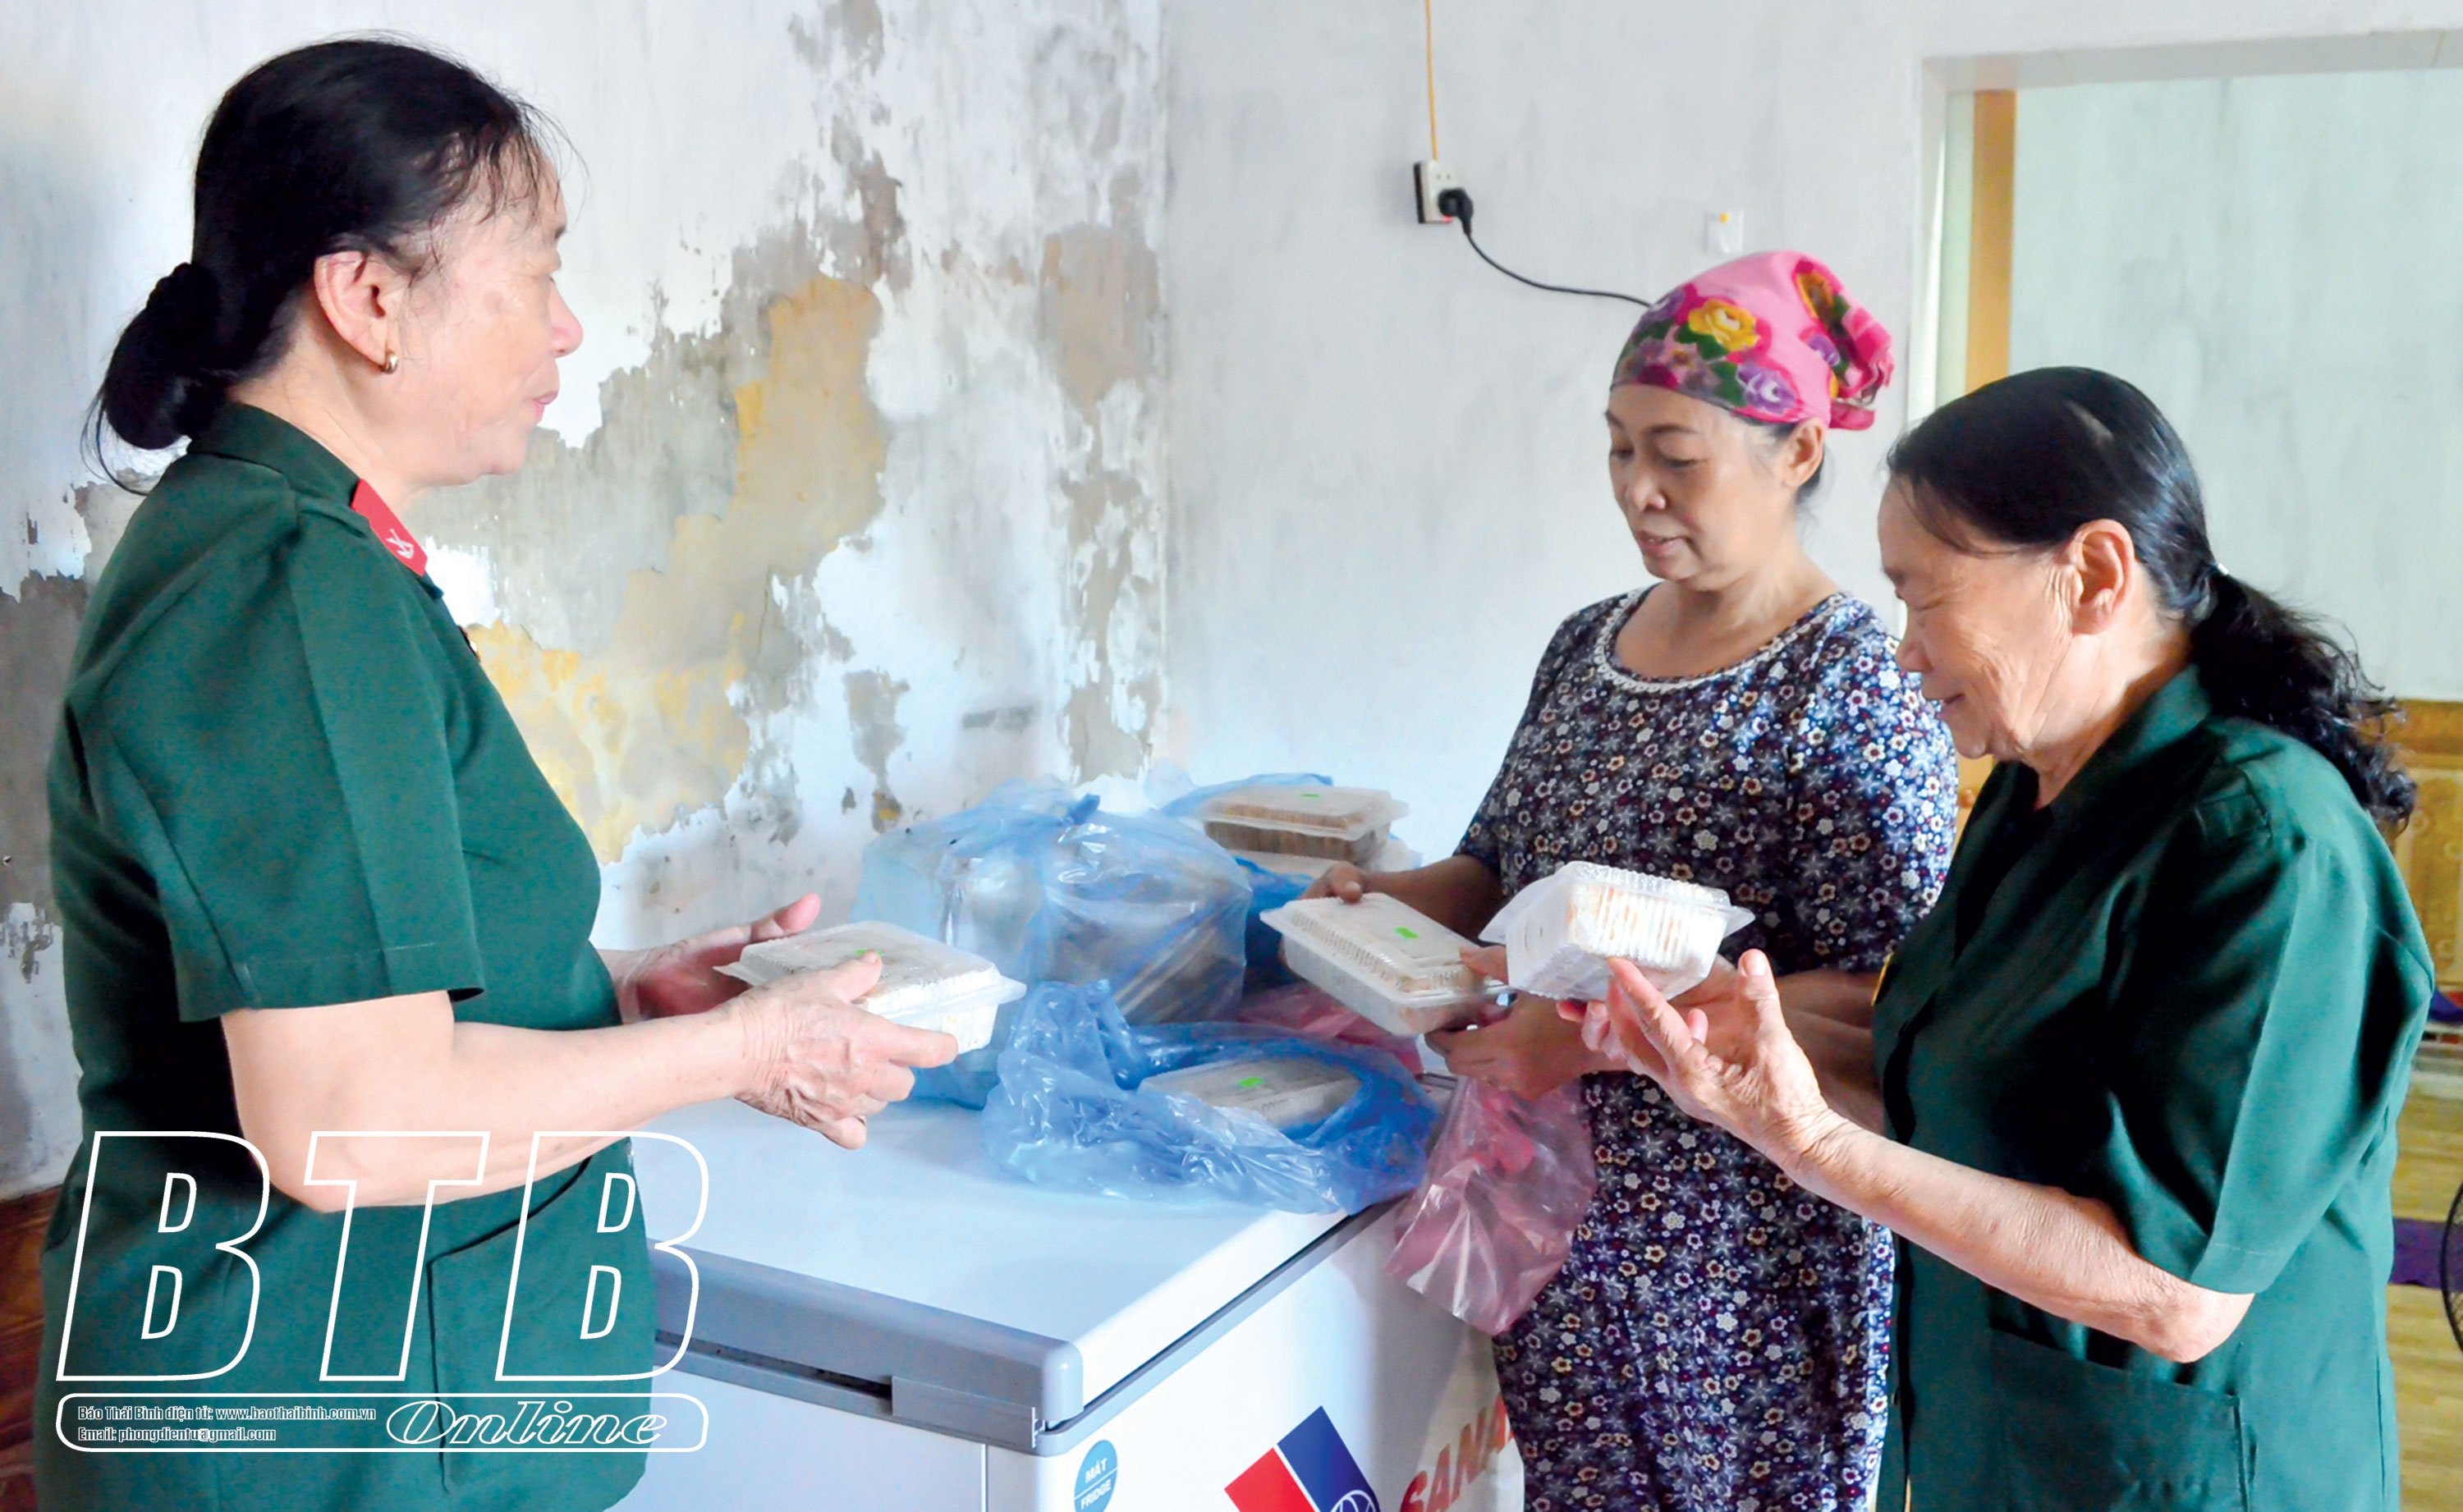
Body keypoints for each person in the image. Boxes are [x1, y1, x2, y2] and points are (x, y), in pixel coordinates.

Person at [36, 40, 954, 1512]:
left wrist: (616, 991)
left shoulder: (311, 552)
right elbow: (351, 1113)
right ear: (369, 299)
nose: (567, 325)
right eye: (537, 272)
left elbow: (358, 967)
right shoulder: (283, 592)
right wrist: (746, 1051)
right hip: (318, 1440)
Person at [1585, 366, 2431, 1511]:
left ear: (2094, 575)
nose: (1905, 651)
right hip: (2004, 1450)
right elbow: (1964, 1088)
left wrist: (1808, 1142)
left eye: (1925, 598)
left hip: (2190, 1474)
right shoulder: (2034, 792)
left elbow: (2177, 1293)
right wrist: (1732, 1043)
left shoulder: (2265, 842)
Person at [1308, 251, 1956, 1510]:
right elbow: (1496, 864)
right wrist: (1376, 906)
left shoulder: (1855, 692)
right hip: (1558, 1229)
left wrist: (1582, 1040)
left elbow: (1888, 1008)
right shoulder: (1586, 643)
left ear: (1799, 452)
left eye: (1676, 455)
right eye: (1617, 449)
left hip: (1744, 1271)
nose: (1637, 490)